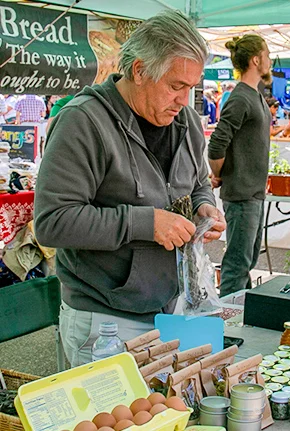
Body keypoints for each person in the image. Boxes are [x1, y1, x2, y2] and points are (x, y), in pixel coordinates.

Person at [34, 10, 226, 366]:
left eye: (191, 87)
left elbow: (198, 181)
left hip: (173, 309)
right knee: (108, 421)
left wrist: (204, 206)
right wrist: (146, 223)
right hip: (104, 322)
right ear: (139, 71)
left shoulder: (185, 120)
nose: (185, 100)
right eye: (175, 86)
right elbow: (52, 222)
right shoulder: (83, 122)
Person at [208, 35, 271, 298]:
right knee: (237, 266)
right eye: (267, 54)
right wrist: (218, 174)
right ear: (256, 59)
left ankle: (237, 318)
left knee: (246, 263)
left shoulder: (252, 95)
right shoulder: (240, 97)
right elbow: (217, 143)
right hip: (242, 193)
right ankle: (229, 325)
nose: (270, 59)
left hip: (252, 192)